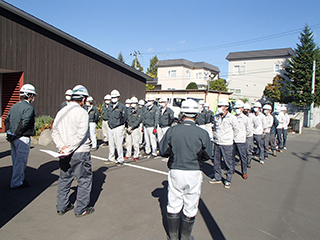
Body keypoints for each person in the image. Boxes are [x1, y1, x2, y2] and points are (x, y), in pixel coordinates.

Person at [159, 99, 212, 240]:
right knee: (191, 203)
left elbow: (163, 150)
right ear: (197, 115)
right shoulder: (202, 133)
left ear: (182, 114)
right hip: (193, 171)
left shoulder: (172, 130)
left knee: (174, 203)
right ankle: (185, 237)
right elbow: (207, 155)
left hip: (176, 169)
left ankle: (173, 237)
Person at [51, 85, 94, 217]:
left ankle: (62, 206)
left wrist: (62, 147)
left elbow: (54, 131)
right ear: (82, 99)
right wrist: (69, 148)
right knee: (84, 179)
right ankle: (81, 209)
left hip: (64, 153)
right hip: (79, 152)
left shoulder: (62, 111)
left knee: (64, 179)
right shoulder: (82, 112)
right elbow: (81, 135)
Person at [5, 84, 37, 189]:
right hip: (22, 137)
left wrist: (9, 133)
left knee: (15, 160)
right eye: (32, 95)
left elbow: (7, 120)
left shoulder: (14, 106)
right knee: (21, 161)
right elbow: (25, 122)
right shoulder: (29, 108)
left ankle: (21, 179)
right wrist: (17, 134)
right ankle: (16, 182)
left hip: (13, 137)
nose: (33, 98)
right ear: (29, 95)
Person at [209, 98, 238, 189]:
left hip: (227, 143)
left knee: (228, 162)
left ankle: (228, 179)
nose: (219, 108)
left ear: (226, 107)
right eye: (218, 106)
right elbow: (215, 128)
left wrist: (231, 139)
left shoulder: (232, 118)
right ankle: (217, 177)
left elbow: (236, 130)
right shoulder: (216, 116)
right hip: (217, 142)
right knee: (217, 161)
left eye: (221, 106)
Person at [107, 89, 127, 166]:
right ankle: (111, 157)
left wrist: (121, 124)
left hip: (118, 127)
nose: (113, 99)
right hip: (111, 126)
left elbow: (124, 117)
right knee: (111, 143)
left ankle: (120, 159)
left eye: (115, 97)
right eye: (112, 97)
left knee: (118, 144)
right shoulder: (110, 105)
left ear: (118, 97)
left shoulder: (122, 106)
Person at [233, 100, 249, 179]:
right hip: (233, 139)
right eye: (236, 108)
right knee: (231, 156)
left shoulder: (245, 118)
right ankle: (231, 169)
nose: (237, 109)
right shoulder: (233, 117)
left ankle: (244, 172)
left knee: (243, 157)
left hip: (241, 140)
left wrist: (243, 136)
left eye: (238, 108)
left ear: (242, 109)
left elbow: (249, 130)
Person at [125, 97, 143, 161]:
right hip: (128, 128)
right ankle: (128, 154)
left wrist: (132, 127)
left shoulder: (139, 111)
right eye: (132, 103)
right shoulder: (129, 110)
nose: (133, 104)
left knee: (136, 143)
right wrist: (127, 126)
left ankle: (136, 155)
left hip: (135, 128)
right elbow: (126, 118)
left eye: (134, 103)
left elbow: (138, 120)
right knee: (128, 142)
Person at [243, 103, 254, 168]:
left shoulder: (251, 117)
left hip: (249, 135)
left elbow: (252, 126)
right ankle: (242, 161)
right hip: (241, 136)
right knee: (241, 150)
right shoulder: (240, 116)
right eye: (244, 109)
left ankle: (248, 161)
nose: (245, 111)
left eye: (246, 109)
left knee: (248, 149)